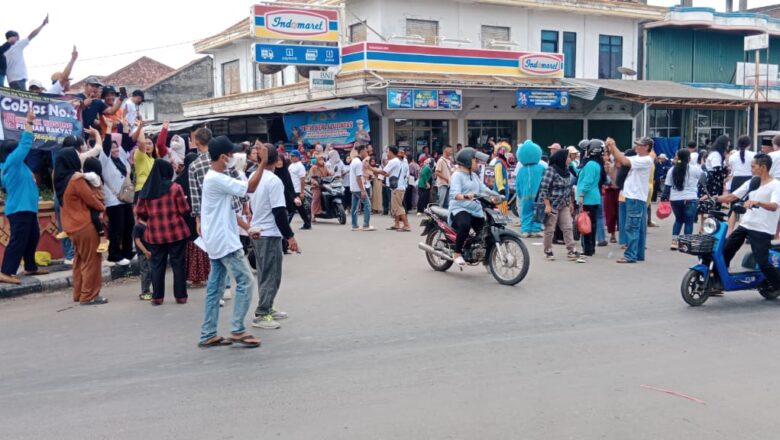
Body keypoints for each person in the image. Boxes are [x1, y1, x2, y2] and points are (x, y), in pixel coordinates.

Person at [198, 138, 267, 349]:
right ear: (223, 157)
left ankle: (208, 333)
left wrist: (247, 228)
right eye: (231, 155)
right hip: (224, 241)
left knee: (215, 288)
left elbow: (228, 211)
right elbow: (251, 188)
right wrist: (262, 162)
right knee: (246, 281)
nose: (233, 159)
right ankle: (237, 329)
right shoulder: (216, 179)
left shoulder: (217, 178)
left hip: (216, 239)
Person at [249, 147, 299, 330]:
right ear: (276, 160)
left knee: (264, 273)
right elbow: (279, 212)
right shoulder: (274, 181)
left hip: (258, 231)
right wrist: (290, 237)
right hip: (269, 233)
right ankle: (262, 313)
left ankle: (267, 306)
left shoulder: (254, 177)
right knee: (271, 275)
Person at [716, 154, 780, 293]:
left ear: (763, 167)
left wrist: (758, 202)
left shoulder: (776, 185)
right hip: (746, 224)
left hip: (762, 228)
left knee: (762, 262)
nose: (751, 169)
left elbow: (775, 206)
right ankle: (718, 282)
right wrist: (714, 198)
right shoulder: (752, 182)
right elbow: (732, 196)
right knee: (725, 250)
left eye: (753, 166)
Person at [0, 110, 48, 284]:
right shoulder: (11, 163)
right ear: (11, 152)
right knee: (18, 240)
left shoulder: (17, 165)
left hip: (26, 208)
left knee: (32, 236)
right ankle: (6, 271)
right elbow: (25, 144)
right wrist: (29, 122)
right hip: (19, 209)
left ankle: (30, 266)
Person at [135, 160, 191, 306]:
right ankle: (180, 296)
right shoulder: (175, 188)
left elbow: (140, 212)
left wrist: (151, 218)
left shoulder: (146, 190)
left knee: (157, 265)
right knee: (178, 264)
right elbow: (184, 209)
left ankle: (157, 297)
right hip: (176, 232)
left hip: (154, 234)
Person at [56, 148, 106, 305]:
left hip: (71, 227)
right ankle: (89, 296)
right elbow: (90, 199)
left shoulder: (60, 180)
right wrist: (103, 208)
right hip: (84, 226)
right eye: (77, 156)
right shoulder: (75, 180)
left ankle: (78, 293)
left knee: (79, 260)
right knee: (92, 260)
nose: (80, 158)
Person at [608, 137, 655, 263]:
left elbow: (624, 160)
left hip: (635, 197)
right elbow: (621, 159)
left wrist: (613, 145)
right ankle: (638, 254)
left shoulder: (646, 159)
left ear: (646, 147)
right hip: (634, 196)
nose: (636, 147)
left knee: (632, 227)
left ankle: (630, 255)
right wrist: (612, 148)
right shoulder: (639, 158)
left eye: (639, 145)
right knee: (638, 227)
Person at [539, 150, 584, 262]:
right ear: (561, 158)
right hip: (552, 204)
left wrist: (570, 203)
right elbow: (543, 188)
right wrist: (547, 205)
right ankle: (548, 251)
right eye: (568, 157)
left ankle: (571, 250)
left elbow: (568, 188)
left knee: (568, 227)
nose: (570, 159)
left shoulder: (566, 170)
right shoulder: (551, 170)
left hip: (564, 204)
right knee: (550, 229)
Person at [448, 147, 490, 267]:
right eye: (475, 161)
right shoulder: (457, 175)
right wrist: (465, 196)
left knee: (484, 231)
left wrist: (497, 195)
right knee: (465, 225)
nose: (478, 163)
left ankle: (485, 257)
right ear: (467, 161)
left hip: (475, 209)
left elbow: (484, 189)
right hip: (460, 208)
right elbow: (454, 193)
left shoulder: (474, 175)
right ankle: (457, 253)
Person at [98, 127, 134, 266]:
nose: (115, 150)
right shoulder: (105, 160)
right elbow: (106, 147)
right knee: (116, 227)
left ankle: (127, 251)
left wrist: (125, 127)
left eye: (116, 147)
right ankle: (114, 255)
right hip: (113, 200)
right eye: (113, 148)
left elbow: (126, 143)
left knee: (129, 224)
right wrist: (106, 130)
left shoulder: (121, 158)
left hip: (125, 198)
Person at [175, 153, 208, 288]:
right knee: (200, 244)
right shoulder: (200, 176)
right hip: (199, 216)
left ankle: (193, 277)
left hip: (185, 219)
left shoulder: (178, 181)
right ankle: (200, 276)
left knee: (190, 246)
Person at [662, 149, 702, 250]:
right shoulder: (695, 169)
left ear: (678, 157)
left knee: (679, 220)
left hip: (675, 199)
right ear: (689, 158)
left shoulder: (672, 170)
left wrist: (664, 198)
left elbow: (667, 186)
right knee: (689, 221)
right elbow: (704, 178)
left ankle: (674, 242)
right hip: (691, 198)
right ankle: (685, 244)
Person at [576, 140, 606, 257]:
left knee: (586, 225)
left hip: (588, 198)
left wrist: (582, 194)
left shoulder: (591, 165)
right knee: (591, 224)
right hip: (593, 198)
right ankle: (590, 248)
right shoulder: (596, 163)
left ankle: (587, 249)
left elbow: (587, 181)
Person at [3, 15, 48, 91]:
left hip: (10, 80)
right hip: (19, 79)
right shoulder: (17, 45)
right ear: (15, 37)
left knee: (16, 100)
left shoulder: (4, 49)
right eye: (18, 37)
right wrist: (42, 25)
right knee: (22, 100)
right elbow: (31, 35)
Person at [516, 140, 545, 238]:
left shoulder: (521, 170)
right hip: (538, 195)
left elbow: (518, 185)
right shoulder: (541, 168)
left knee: (526, 212)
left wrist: (519, 194)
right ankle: (536, 229)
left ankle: (526, 230)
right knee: (538, 212)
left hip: (525, 195)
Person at [134, 121, 169, 198]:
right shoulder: (140, 155)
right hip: (142, 189)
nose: (147, 146)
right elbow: (142, 142)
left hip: (153, 190)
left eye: (150, 143)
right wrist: (140, 127)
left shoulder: (154, 160)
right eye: (146, 144)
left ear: (153, 146)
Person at [383, 146, 411, 231]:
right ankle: (397, 223)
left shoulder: (395, 162)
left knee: (398, 206)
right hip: (398, 185)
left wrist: (371, 168)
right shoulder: (400, 163)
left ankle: (406, 225)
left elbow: (385, 172)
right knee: (395, 206)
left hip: (398, 186)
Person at [350, 144, 375, 231]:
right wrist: (362, 190)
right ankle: (366, 225)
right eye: (366, 151)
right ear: (361, 151)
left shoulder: (355, 161)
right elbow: (358, 177)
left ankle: (354, 225)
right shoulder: (358, 162)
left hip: (354, 187)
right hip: (358, 188)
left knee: (354, 206)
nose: (367, 153)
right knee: (367, 205)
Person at [287, 150, 311, 229]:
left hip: (297, 190)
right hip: (291, 189)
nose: (291, 157)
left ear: (297, 157)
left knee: (293, 208)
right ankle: (307, 223)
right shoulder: (291, 166)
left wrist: (302, 192)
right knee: (300, 209)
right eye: (291, 156)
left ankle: (287, 225)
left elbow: (302, 180)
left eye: (293, 156)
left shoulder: (300, 166)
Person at [133, 220, 153, 301]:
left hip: (151, 252)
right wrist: (145, 251)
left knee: (151, 272)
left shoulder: (150, 225)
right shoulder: (137, 227)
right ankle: (145, 292)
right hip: (143, 253)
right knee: (145, 272)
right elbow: (137, 241)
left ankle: (148, 291)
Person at [308, 153, 331, 221]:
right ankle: (313, 215)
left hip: (325, 185)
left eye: (322, 159)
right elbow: (310, 177)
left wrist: (335, 175)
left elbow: (329, 174)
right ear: (317, 160)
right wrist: (315, 182)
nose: (322, 161)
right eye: (320, 159)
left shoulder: (325, 167)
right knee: (316, 198)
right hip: (316, 186)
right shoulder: (313, 167)